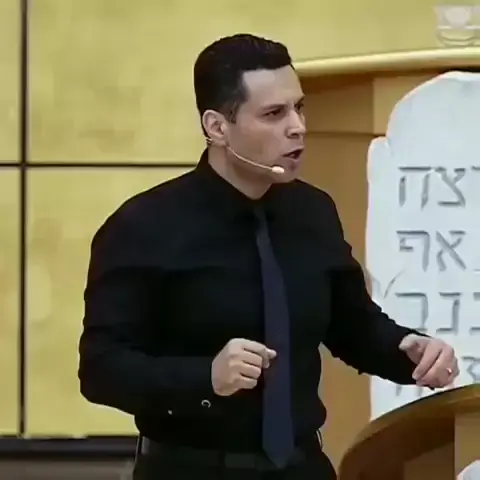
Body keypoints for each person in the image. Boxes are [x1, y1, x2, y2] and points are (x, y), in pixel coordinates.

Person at [78, 33, 459, 480]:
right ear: (217, 127)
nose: (297, 127)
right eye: (274, 114)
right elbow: (101, 369)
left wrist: (406, 350)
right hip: (189, 468)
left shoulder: (313, 211)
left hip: (302, 467)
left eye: (299, 108)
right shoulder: (143, 226)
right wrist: (206, 378)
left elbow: (351, 324)